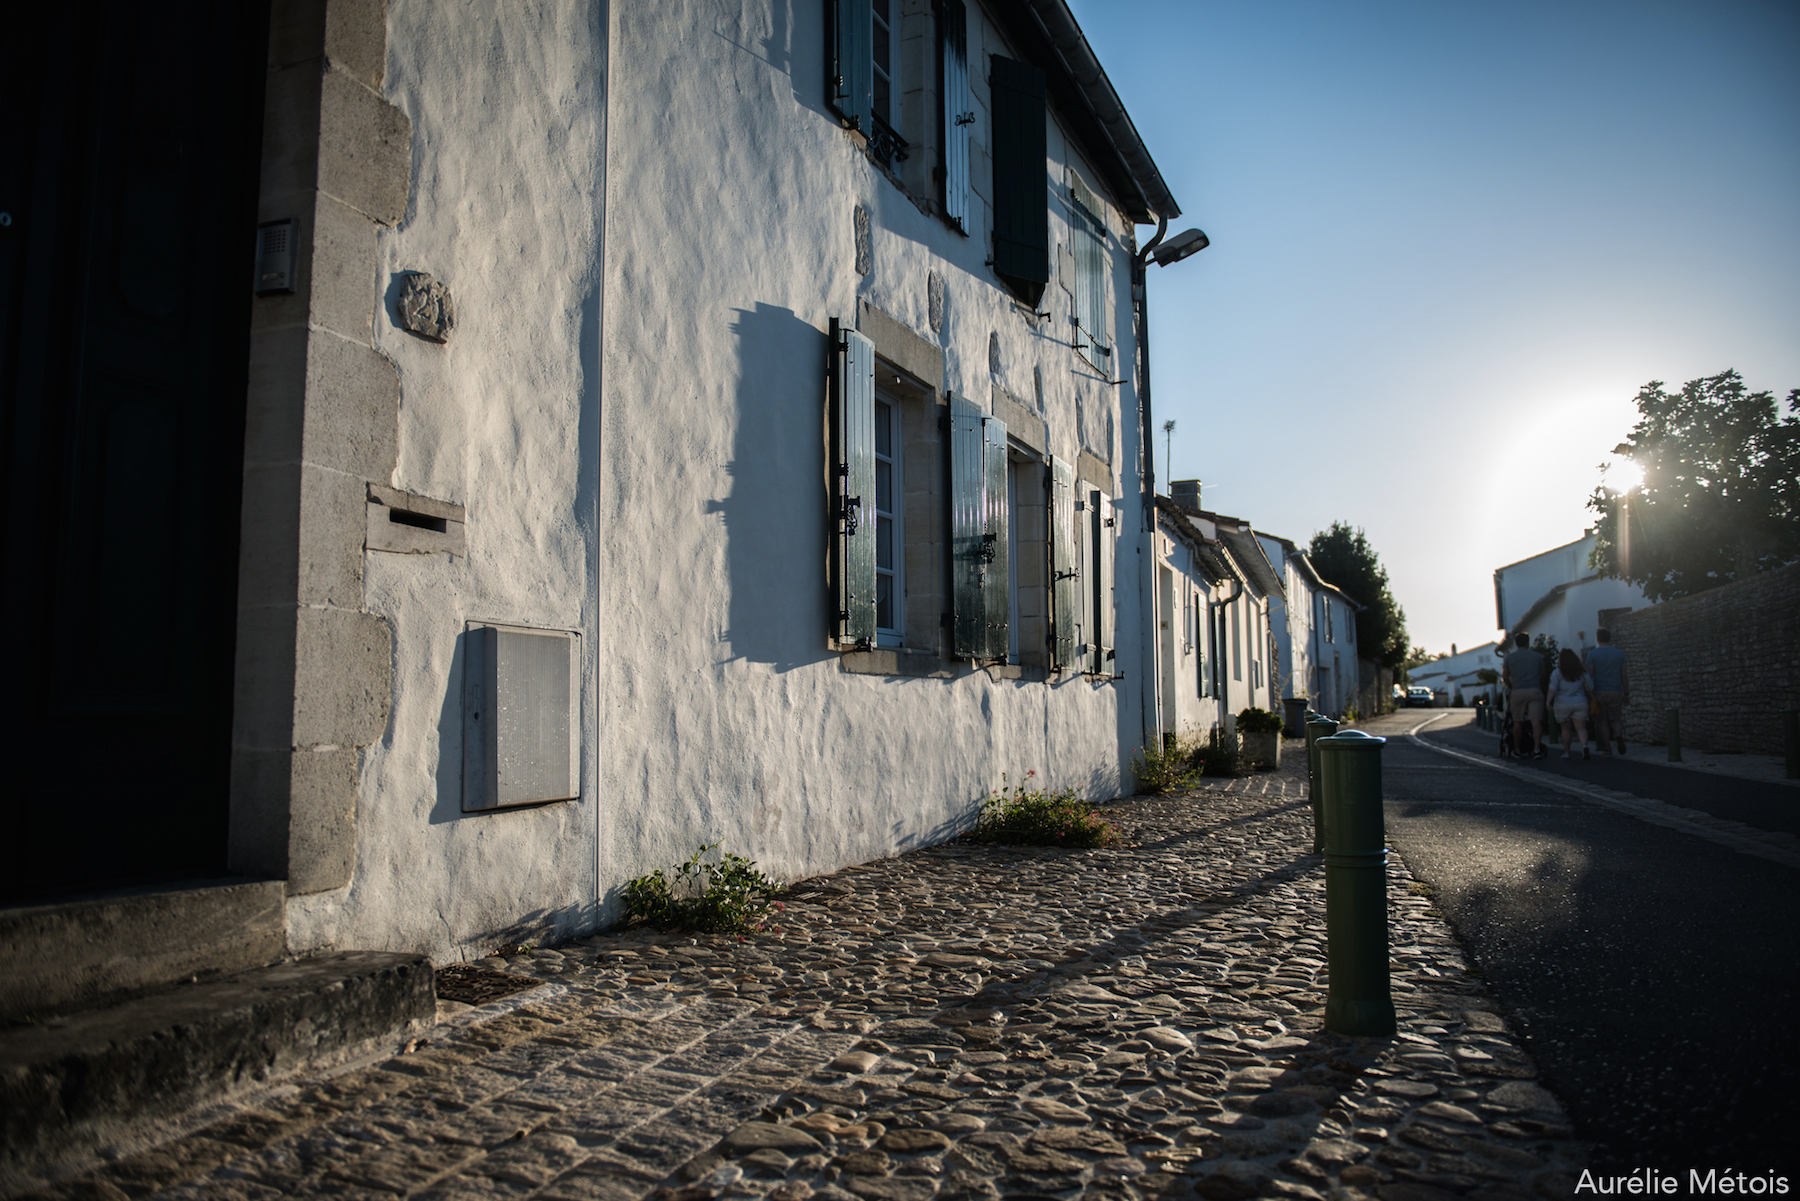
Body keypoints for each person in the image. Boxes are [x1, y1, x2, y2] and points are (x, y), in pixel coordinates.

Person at [1585, 628, 1630, 757]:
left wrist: (1589, 693)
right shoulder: (1619, 654)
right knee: (1616, 718)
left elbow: (1590, 674)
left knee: (1603, 721)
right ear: (1609, 638)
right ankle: (1619, 735)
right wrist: (1626, 693)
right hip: (1615, 690)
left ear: (1598, 639)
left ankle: (1607, 749)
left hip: (1599, 691)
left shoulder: (1592, 655)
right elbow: (1624, 675)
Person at [1502, 631, 1546, 758]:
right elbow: (1543, 675)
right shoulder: (1537, 656)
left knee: (1517, 721)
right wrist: (1538, 684)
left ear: (1516, 643)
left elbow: (1505, 677)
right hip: (1534, 689)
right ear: (1528, 642)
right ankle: (1537, 749)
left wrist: (1512, 687)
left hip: (1518, 690)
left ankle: (1517, 749)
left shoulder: (1509, 658)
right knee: (1536, 721)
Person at [1548, 647, 1594, 759]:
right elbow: (1591, 687)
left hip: (1563, 703)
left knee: (1566, 729)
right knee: (1581, 728)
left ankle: (1567, 752)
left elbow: (1553, 689)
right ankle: (1584, 746)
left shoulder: (1557, 673)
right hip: (1580, 702)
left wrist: (1548, 701)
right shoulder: (1581, 672)